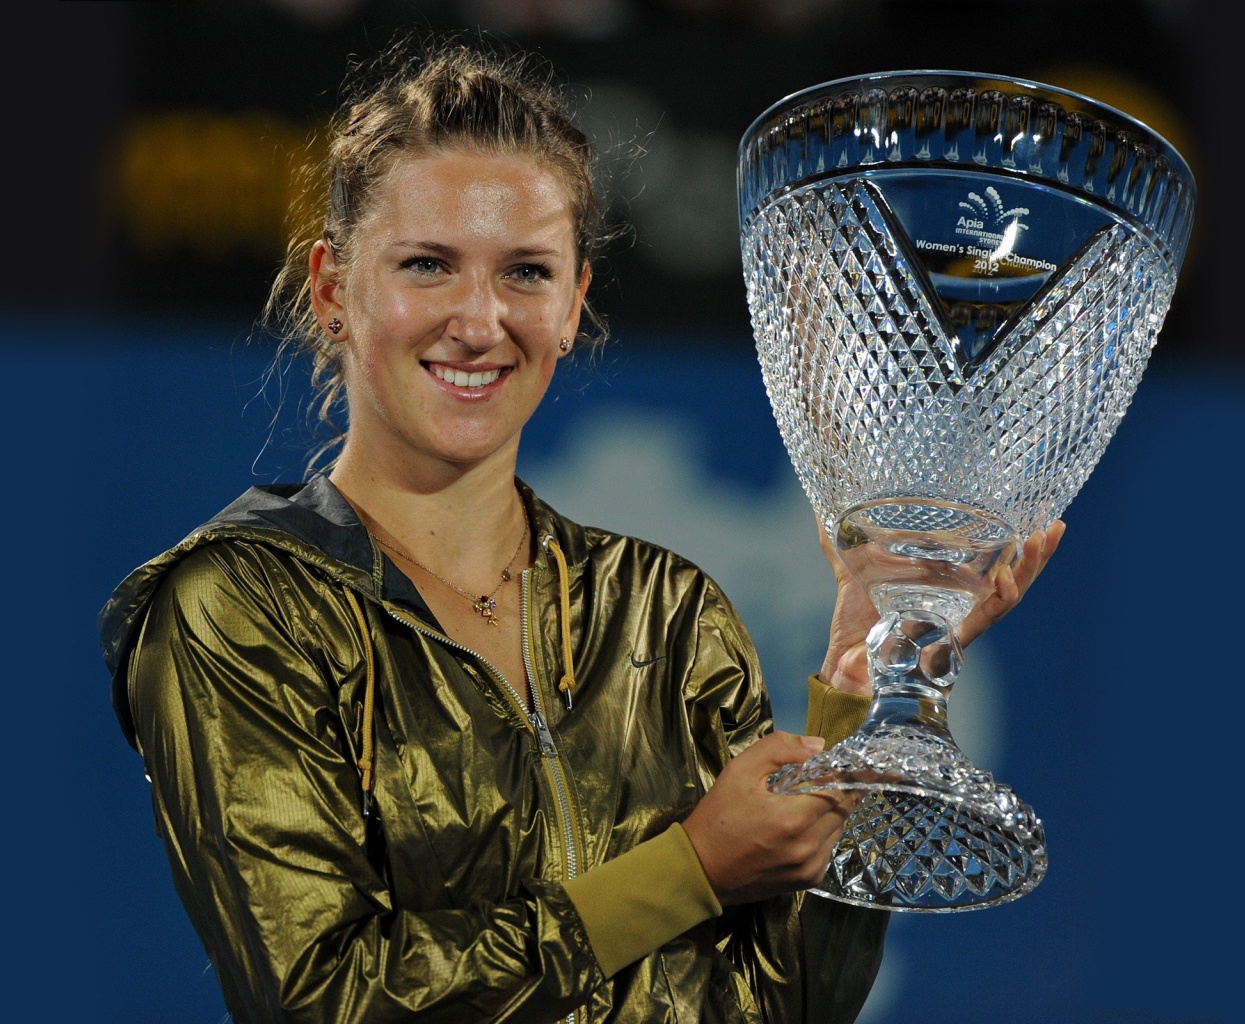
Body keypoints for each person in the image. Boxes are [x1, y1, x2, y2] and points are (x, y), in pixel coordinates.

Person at [98, 34, 1064, 1024]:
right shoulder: (236, 602)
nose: (479, 321)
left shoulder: (666, 609)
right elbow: (322, 998)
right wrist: (686, 869)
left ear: (572, 306)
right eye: (427, 264)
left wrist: (862, 686)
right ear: (334, 290)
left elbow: (786, 1004)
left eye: (524, 272)